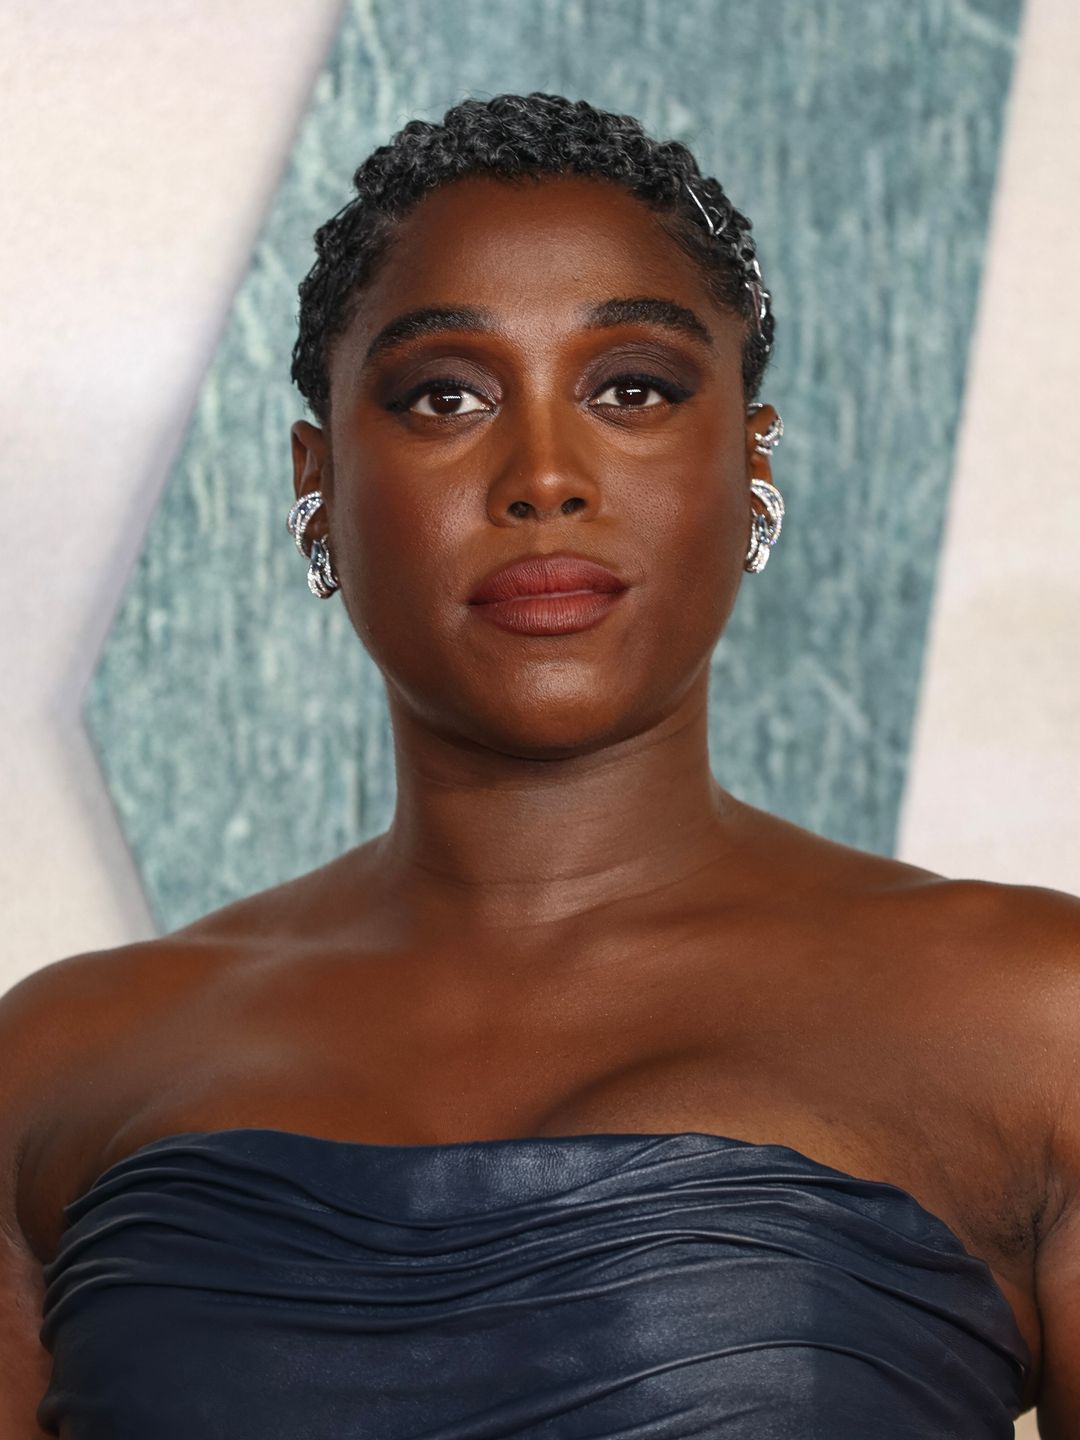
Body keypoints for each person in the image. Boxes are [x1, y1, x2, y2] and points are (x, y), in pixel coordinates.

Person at [2, 91, 1077, 1439]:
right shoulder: (56, 1069)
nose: (547, 476)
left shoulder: (1039, 1024)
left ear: (749, 460)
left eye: (633, 388)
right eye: (443, 395)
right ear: (319, 482)